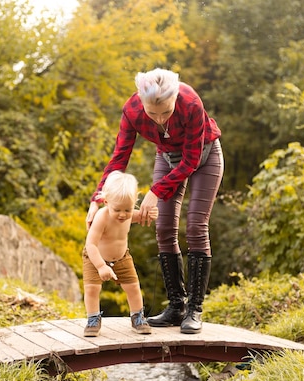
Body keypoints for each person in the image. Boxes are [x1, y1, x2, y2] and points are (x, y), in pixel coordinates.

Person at [86, 68, 224, 334]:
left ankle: (194, 310)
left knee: (196, 225)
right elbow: (119, 159)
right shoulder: (132, 110)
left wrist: (155, 191)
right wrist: (97, 198)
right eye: (153, 113)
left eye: (166, 112)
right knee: (162, 228)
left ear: (175, 99)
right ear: (141, 100)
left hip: (204, 156)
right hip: (168, 157)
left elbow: (191, 161)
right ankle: (176, 307)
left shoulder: (191, 102)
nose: (160, 119)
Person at [83, 170, 158, 337]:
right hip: (95, 257)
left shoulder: (127, 214)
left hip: (122, 257)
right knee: (92, 289)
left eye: (128, 209)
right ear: (106, 202)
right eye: (117, 210)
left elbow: (141, 217)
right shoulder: (101, 217)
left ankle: (137, 316)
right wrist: (101, 266)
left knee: (133, 287)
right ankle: (93, 318)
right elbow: (91, 244)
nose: (123, 215)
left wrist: (152, 214)